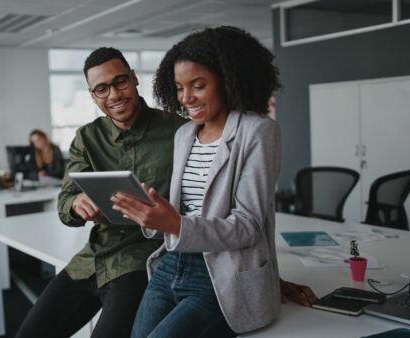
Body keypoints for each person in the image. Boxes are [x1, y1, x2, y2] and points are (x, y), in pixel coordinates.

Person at [110, 26, 296, 337]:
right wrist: (151, 214)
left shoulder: (258, 131)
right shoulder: (184, 134)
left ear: (227, 80)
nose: (186, 98)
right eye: (179, 87)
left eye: (198, 85)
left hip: (222, 275)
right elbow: (185, 212)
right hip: (172, 263)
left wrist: (177, 225)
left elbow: (248, 226)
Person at [16, 48, 185, 338]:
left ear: (133, 78)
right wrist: (76, 203)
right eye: (101, 89)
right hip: (93, 257)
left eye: (120, 82)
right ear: (93, 96)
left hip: (143, 260)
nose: (114, 95)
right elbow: (65, 203)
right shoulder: (87, 137)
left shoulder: (179, 131)